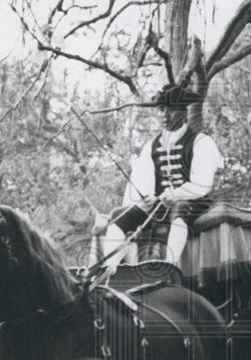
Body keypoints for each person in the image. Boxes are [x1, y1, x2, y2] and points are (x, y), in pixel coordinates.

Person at [95, 84, 223, 266]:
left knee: (179, 207)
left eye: (171, 109)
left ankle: (170, 265)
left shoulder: (201, 142)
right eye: (161, 109)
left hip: (194, 203)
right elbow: (143, 182)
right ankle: (110, 267)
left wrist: (174, 194)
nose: (164, 115)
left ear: (183, 112)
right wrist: (147, 199)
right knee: (118, 215)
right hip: (160, 207)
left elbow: (202, 184)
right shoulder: (151, 146)